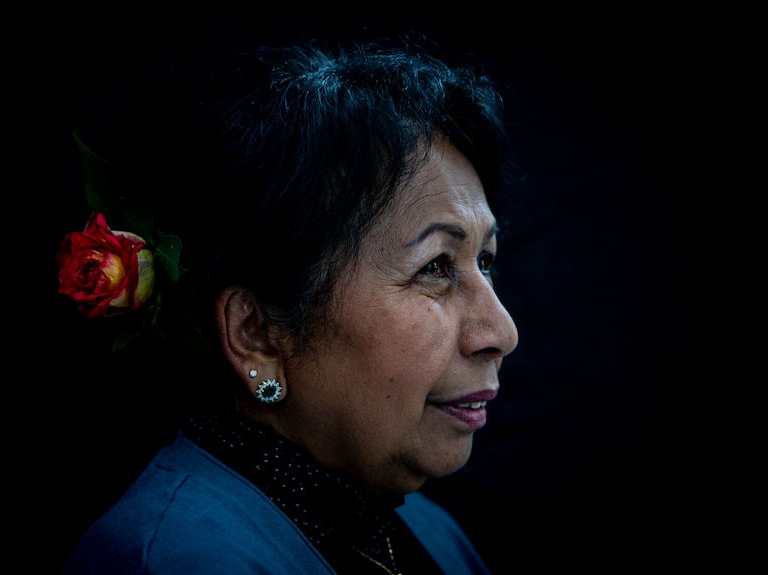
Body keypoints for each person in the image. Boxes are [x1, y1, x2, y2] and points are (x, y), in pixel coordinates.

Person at [58, 35, 519, 575]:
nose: (501, 331)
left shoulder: (423, 527)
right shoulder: (176, 562)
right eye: (435, 267)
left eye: (484, 261)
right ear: (257, 335)